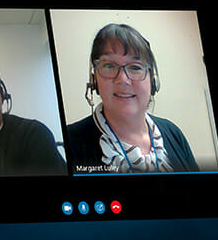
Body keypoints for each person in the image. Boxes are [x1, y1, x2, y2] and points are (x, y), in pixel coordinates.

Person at [66, 24, 198, 173]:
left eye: (135, 67)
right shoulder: (70, 141)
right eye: (109, 65)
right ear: (94, 80)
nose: (122, 79)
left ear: (152, 82)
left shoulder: (174, 134)